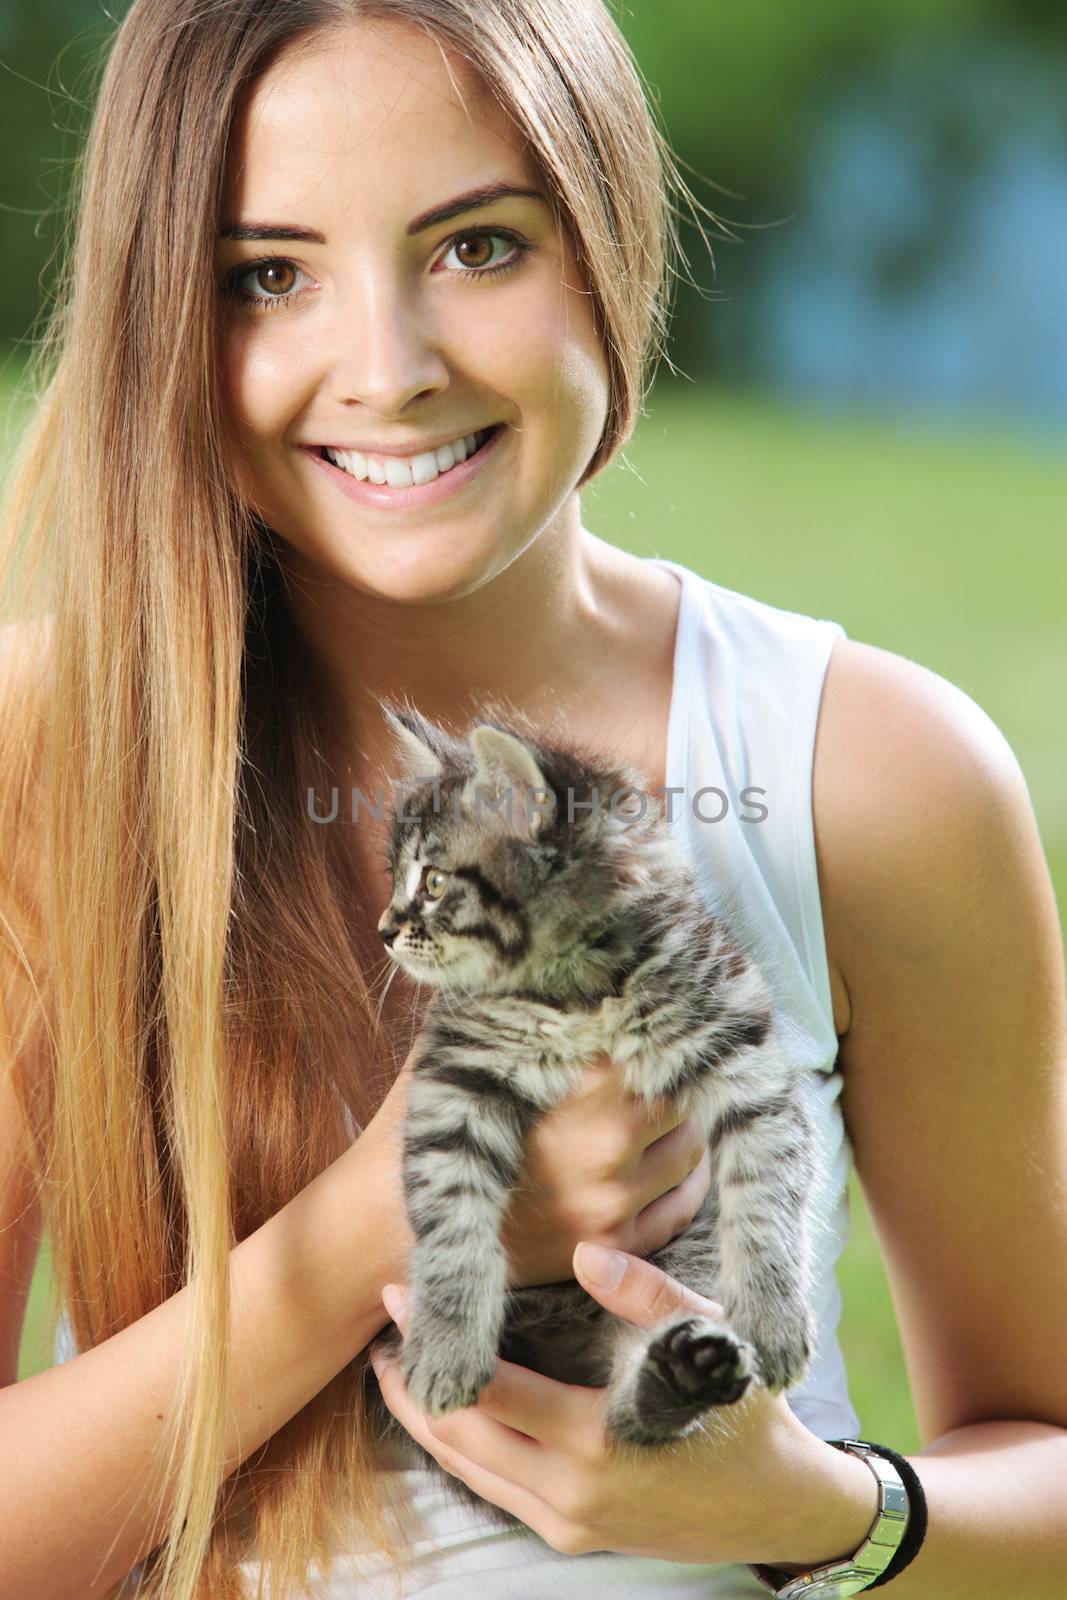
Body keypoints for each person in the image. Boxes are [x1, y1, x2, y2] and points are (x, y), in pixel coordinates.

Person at [1, 1, 1064, 1597]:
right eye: (267, 276)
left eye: (476, 247)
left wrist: (822, 1513)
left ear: (609, 235)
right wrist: (382, 1238)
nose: (392, 370)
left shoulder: (865, 771)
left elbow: (1040, 1471)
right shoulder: (48, 754)